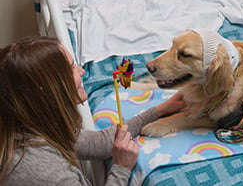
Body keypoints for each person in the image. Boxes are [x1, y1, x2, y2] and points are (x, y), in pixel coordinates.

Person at [0, 36, 185, 186]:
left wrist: (160, 110)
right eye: (72, 68)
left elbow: (99, 142)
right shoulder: (52, 176)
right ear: (49, 88)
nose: (81, 71)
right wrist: (121, 168)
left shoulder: (34, 124)